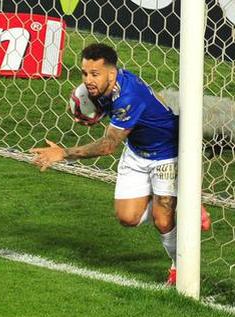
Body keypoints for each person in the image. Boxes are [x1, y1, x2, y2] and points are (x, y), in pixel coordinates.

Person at [31, 42, 209, 285]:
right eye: (85, 73)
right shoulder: (99, 88)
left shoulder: (129, 95)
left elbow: (107, 146)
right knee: (127, 218)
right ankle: (176, 200)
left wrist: (64, 153)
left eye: (95, 74)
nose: (88, 80)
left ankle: (179, 267)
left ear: (112, 73)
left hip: (167, 153)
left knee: (162, 219)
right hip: (137, 152)